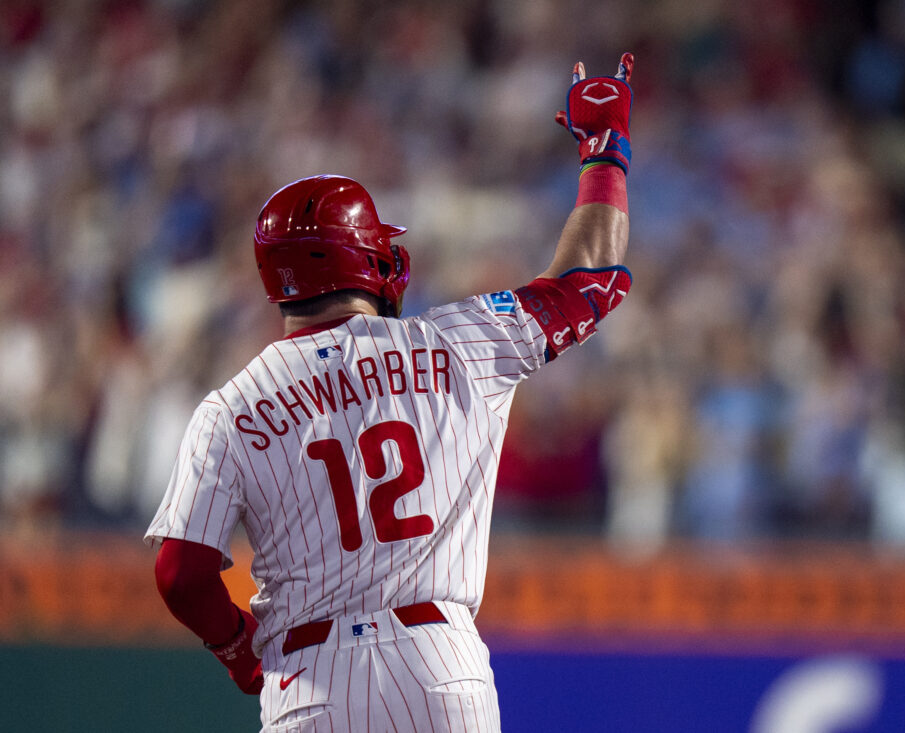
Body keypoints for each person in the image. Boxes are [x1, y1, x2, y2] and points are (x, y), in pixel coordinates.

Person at [145, 53, 635, 731]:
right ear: (369, 259)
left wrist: (238, 651)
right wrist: (604, 150)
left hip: (308, 678)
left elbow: (181, 571)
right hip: (440, 664)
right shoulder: (460, 340)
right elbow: (594, 276)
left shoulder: (231, 406)